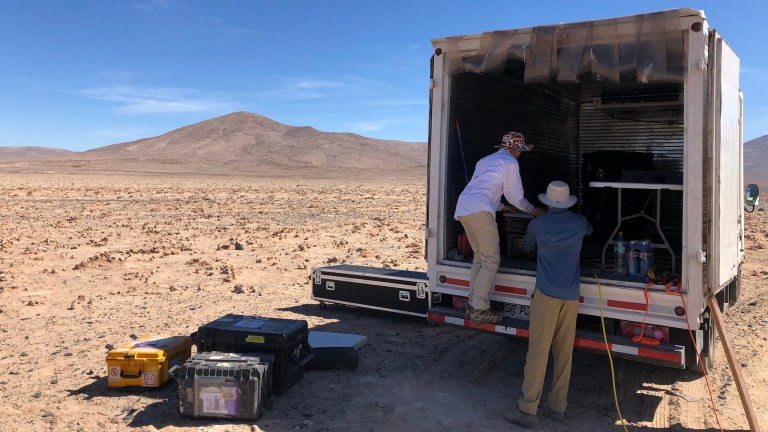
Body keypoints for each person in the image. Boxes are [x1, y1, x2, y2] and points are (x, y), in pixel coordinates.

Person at [505, 180, 592, 429]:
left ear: (547, 202)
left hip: (546, 293)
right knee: (564, 352)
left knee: (538, 351)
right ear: (567, 202)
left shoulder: (538, 224)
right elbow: (590, 230)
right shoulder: (578, 223)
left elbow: (529, 247)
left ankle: (528, 409)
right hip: (571, 295)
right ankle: (557, 407)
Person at [454, 131, 545, 325]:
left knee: (479, 258)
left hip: (464, 208)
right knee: (491, 260)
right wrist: (533, 210)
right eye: (520, 151)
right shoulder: (510, 163)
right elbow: (515, 196)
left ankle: (472, 304)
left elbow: (482, 188)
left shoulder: (485, 160)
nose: (520, 154)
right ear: (515, 150)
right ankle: (479, 309)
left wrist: (501, 207)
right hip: (480, 211)